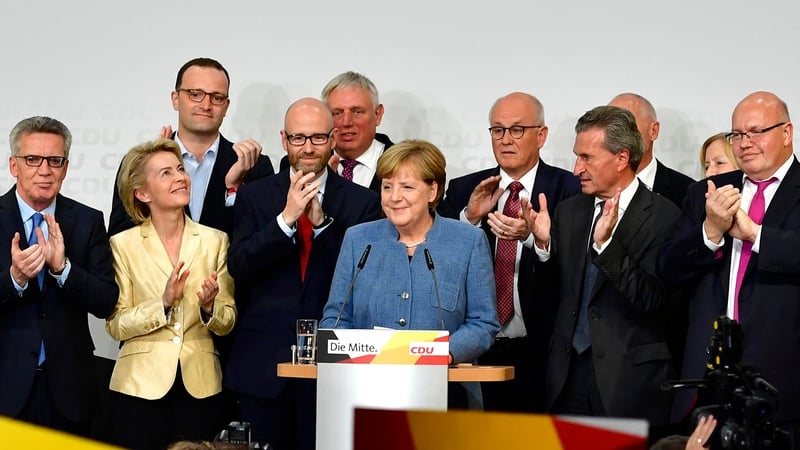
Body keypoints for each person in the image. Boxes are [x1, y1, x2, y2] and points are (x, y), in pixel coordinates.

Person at [224, 98, 381, 450]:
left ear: (332, 139)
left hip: (335, 365)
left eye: (317, 138)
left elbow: (363, 277)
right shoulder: (255, 196)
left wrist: (323, 224)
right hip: (264, 365)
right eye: (298, 138)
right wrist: (285, 221)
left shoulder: (363, 202)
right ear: (284, 140)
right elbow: (239, 265)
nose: (308, 148)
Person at [524, 106, 681, 430]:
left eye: (587, 158)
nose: (576, 168)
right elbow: (555, 294)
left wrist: (606, 247)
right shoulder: (569, 211)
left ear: (622, 158)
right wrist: (543, 247)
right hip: (567, 378)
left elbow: (652, 297)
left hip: (628, 381)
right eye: (576, 156)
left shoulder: (665, 217)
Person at [659, 91, 800, 444]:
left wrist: (755, 234)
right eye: (737, 135)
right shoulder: (708, 192)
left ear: (786, 133)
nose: (745, 143)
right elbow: (667, 268)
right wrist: (709, 233)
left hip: (782, 385)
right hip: (708, 383)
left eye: (756, 132)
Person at [320, 139, 500, 398]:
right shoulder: (359, 240)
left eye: (406, 187)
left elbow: (483, 323)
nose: (394, 197)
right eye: (387, 186)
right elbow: (334, 318)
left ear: (432, 191)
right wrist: (358, 352)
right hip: (367, 391)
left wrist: (439, 353)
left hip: (448, 392)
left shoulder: (467, 241)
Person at [437, 92, 580, 412]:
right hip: (476, 348)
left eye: (517, 130)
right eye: (497, 130)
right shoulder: (465, 189)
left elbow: (578, 268)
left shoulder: (569, 189)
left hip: (543, 347)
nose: (505, 139)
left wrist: (535, 241)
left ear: (541, 135)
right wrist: (468, 219)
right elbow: (436, 260)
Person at [105, 139, 237, 449]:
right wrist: (162, 304)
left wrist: (208, 308)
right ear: (142, 193)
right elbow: (115, 325)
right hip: (138, 387)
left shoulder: (215, 240)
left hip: (200, 386)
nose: (180, 177)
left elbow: (228, 319)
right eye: (166, 173)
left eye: (180, 169)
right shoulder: (122, 244)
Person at [0, 116, 118, 436]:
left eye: (55, 160)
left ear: (65, 168)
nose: (44, 170)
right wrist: (15, 279)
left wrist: (63, 269)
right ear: (14, 165)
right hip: (6, 389)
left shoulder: (86, 220)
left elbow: (107, 301)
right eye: (33, 159)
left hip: (69, 391)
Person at [109, 57, 274, 237]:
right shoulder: (141, 163)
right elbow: (120, 237)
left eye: (217, 98)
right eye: (195, 94)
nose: (206, 105)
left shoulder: (253, 165)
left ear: (226, 107)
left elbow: (262, 243)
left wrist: (233, 191)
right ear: (176, 99)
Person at [279, 71, 393, 193]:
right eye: (337, 113)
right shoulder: (300, 162)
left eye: (357, 112)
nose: (346, 122)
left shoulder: (404, 164)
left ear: (378, 114)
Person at [609, 93, 695, 206]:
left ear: (653, 131)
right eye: (610, 128)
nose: (617, 136)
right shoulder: (585, 187)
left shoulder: (687, 193)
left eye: (627, 126)